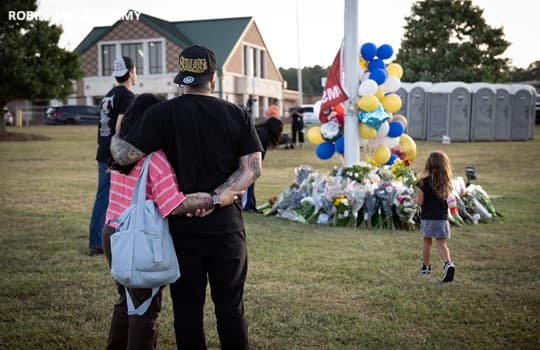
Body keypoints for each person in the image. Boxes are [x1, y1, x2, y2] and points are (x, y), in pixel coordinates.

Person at [110, 45, 263, 349]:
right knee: (231, 308)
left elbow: (126, 156)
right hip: (227, 229)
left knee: (187, 311)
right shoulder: (236, 113)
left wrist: (114, 137)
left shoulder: (161, 113)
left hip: (181, 230)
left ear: (182, 79)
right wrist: (217, 198)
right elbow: (252, 169)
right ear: (213, 78)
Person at [103, 93, 233, 350]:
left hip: (112, 233)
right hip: (139, 239)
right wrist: (217, 199)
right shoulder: (155, 159)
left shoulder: (121, 156)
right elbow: (174, 205)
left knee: (126, 302)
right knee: (145, 311)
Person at [88, 56, 136, 256]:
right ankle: (98, 242)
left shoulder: (109, 94)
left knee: (104, 197)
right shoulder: (126, 96)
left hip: (103, 150)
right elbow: (119, 126)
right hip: (113, 154)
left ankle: (99, 239)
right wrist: (118, 157)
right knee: (110, 197)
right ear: (132, 71)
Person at [414, 151, 456, 283]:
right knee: (442, 244)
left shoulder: (423, 183)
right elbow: (450, 201)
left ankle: (426, 267)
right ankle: (448, 264)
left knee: (427, 242)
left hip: (428, 218)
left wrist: (414, 199)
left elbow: (420, 202)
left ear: (428, 166)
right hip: (442, 219)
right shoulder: (447, 184)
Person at [242, 117, 283, 212]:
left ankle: (250, 205)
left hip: (249, 160)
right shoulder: (263, 133)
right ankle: (247, 205)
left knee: (250, 183)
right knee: (248, 183)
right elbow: (256, 149)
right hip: (248, 160)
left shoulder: (262, 131)